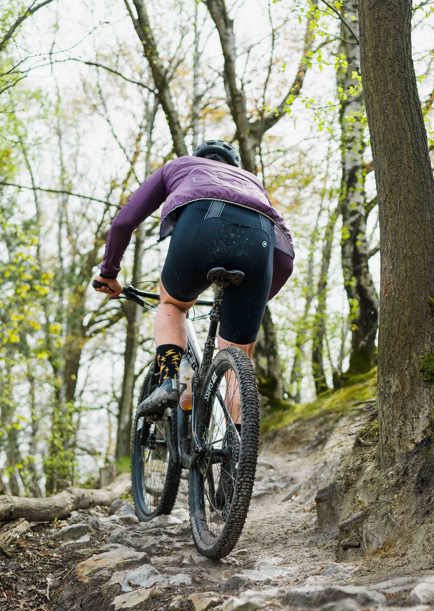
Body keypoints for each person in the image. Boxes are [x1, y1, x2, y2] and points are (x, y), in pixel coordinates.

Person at [92, 139, 294, 415]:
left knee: (173, 305)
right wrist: (257, 298)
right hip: (258, 241)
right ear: (234, 166)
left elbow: (124, 223)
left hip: (201, 226)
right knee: (238, 354)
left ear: (199, 157)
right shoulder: (252, 183)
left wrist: (109, 273)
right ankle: (238, 440)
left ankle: (168, 381)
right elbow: (285, 257)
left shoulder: (180, 166)